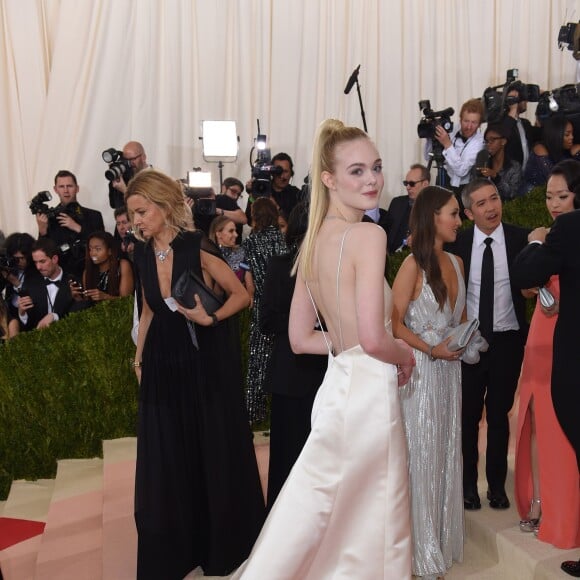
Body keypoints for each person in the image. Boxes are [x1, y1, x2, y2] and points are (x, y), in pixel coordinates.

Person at [231, 119, 415, 579]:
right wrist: (406, 355)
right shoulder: (369, 236)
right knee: (373, 513)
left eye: (376, 167)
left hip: (337, 388)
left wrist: (344, 344)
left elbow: (301, 338)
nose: (372, 179)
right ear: (329, 179)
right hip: (369, 390)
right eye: (357, 171)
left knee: (322, 507)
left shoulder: (312, 242)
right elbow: (374, 338)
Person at [125, 169, 265, 579]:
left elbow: (242, 296)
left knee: (207, 450)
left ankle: (218, 544)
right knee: (168, 456)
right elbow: (149, 309)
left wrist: (211, 318)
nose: (137, 220)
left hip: (202, 363)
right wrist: (138, 359)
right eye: (132, 213)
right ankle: (175, 548)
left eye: (142, 211)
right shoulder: (141, 253)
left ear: (164, 206)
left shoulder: (196, 246)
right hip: (162, 364)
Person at [392, 186, 465, 578]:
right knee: (420, 458)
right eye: (453, 213)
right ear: (432, 216)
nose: (459, 220)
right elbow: (394, 323)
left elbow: (460, 317)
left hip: (450, 371)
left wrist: (465, 339)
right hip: (420, 372)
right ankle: (420, 551)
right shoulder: (411, 266)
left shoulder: (457, 261)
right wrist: (432, 350)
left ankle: (439, 537)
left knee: (444, 453)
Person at [446, 178, 529, 511]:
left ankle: (496, 485)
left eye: (494, 198)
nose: (491, 207)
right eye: (481, 203)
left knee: (498, 415)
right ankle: (468, 485)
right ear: (468, 212)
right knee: (467, 417)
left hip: (508, 341)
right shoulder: (458, 245)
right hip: (468, 344)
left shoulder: (522, 239)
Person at [512, 184, 580, 578]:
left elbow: (525, 272)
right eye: (550, 195)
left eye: (562, 195)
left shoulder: (567, 230)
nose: (554, 203)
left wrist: (536, 243)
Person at [259, 202, 327, 510]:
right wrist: (303, 321)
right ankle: (282, 527)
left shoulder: (335, 265)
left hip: (330, 373)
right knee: (288, 458)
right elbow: (267, 321)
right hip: (291, 375)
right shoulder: (280, 265)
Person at [242, 197, 288, 423]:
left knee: (258, 360)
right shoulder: (282, 238)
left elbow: (248, 276)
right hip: (286, 305)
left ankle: (254, 413)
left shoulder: (250, 242)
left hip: (261, 304)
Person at [37, 170, 105, 278]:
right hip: (61, 275)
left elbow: (102, 245)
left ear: (77, 188)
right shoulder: (49, 218)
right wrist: (42, 231)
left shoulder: (94, 215)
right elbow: (43, 253)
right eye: (61, 187)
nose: (66, 191)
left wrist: (77, 227)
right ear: (55, 189)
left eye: (69, 186)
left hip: (91, 273)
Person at [425, 98, 485, 194]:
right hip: (443, 179)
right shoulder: (451, 128)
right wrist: (430, 137)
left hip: (464, 188)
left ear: (479, 124)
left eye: (474, 122)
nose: (469, 126)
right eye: (466, 121)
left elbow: (462, 171)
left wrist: (447, 144)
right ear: (460, 119)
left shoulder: (479, 142)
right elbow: (428, 156)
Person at [17, 238, 75, 331]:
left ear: (55, 259)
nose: (38, 267)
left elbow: (79, 313)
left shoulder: (73, 280)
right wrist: (22, 314)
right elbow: (29, 326)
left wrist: (55, 316)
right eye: (35, 262)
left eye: (42, 261)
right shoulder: (31, 283)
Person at [70, 231, 134, 303]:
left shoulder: (123, 265)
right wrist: (78, 298)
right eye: (90, 249)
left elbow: (127, 301)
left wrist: (105, 297)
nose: (93, 253)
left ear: (109, 251)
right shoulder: (87, 272)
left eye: (98, 249)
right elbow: (88, 305)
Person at [524, 115, 580, 190]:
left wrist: (577, 154)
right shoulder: (540, 149)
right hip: (532, 196)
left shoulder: (566, 150)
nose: (572, 137)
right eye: (567, 134)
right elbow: (555, 180)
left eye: (572, 134)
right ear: (556, 135)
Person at [0, 232, 40, 335]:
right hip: (11, 318)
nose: (19, 262)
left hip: (30, 322)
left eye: (22, 258)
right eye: (15, 259)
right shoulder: (10, 268)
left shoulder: (38, 270)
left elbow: (34, 299)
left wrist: (16, 283)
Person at [385, 163, 430, 253]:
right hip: (390, 256)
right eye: (406, 183)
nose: (408, 187)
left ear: (425, 184)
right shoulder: (397, 203)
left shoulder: (434, 208)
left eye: (412, 184)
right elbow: (385, 230)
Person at [245, 152, 303, 222]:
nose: (282, 176)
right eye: (278, 172)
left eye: (285, 171)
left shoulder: (296, 194)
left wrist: (275, 206)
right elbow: (249, 220)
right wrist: (252, 196)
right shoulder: (261, 189)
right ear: (272, 173)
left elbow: (296, 222)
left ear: (291, 173)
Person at [208, 215, 254, 300]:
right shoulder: (210, 256)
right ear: (218, 234)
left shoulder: (241, 252)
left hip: (242, 304)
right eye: (231, 231)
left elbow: (248, 275)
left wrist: (250, 293)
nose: (236, 235)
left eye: (235, 231)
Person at [472, 124, 523, 200]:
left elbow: (512, 193)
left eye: (492, 140)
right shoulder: (483, 162)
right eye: (486, 141)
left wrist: (496, 177)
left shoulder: (514, 166)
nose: (488, 144)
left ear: (503, 141)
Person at [109, 141, 150, 207]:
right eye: (125, 160)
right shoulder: (126, 176)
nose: (129, 163)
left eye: (132, 159)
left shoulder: (156, 177)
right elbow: (114, 204)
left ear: (143, 157)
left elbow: (148, 206)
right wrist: (114, 176)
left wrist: (125, 191)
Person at [215, 177, 248, 244]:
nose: (236, 197)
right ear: (224, 188)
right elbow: (244, 219)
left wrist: (218, 211)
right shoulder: (224, 199)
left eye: (238, 194)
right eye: (233, 191)